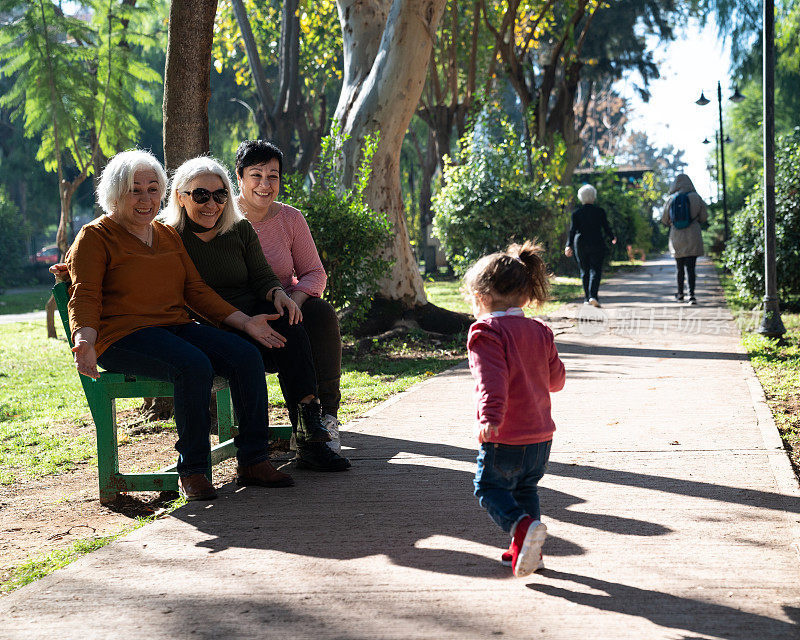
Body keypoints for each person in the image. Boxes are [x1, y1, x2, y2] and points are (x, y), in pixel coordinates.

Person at [63, 149, 294, 501]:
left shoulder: (166, 234)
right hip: (123, 336)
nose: (145, 198)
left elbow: (195, 290)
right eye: (134, 189)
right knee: (193, 365)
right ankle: (194, 470)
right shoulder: (95, 237)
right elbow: (85, 295)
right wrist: (84, 339)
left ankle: (253, 459)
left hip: (173, 326)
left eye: (153, 188)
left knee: (246, 355)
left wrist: (246, 323)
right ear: (114, 193)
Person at [163, 156, 350, 472]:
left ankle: (310, 427)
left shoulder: (238, 228)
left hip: (253, 314)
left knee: (292, 318)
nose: (212, 203)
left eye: (220, 194)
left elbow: (263, 276)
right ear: (181, 196)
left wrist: (279, 295)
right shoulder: (168, 236)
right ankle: (284, 444)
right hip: (208, 324)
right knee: (279, 334)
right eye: (201, 195)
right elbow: (189, 296)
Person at [463, 241, 566, 578]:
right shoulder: (540, 330)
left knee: (489, 488)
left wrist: (490, 418)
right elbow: (557, 380)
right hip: (540, 435)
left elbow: (492, 380)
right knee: (525, 489)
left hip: (505, 434)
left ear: (482, 296)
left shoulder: (486, 332)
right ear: (525, 295)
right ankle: (528, 551)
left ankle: (521, 529)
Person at [234, 140, 343, 441]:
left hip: (287, 303)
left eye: (273, 176)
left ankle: (326, 418)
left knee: (319, 313)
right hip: (240, 311)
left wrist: (294, 300)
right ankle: (304, 428)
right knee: (289, 326)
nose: (265, 184)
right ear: (239, 176)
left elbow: (314, 272)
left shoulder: (290, 218)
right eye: (256, 175)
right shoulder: (222, 217)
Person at [564, 184, 617, 307]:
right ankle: (593, 296)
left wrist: (568, 245)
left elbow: (572, 231)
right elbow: (606, 227)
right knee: (596, 270)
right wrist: (612, 237)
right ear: (594, 197)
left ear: (580, 197)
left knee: (584, 271)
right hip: (597, 242)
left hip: (581, 243)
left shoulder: (576, 213)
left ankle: (586, 298)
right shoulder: (600, 211)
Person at [661, 174, 708, 305]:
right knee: (691, 268)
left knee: (679, 267)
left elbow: (664, 219)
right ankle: (691, 295)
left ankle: (680, 294)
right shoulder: (696, 197)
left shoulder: (671, 199)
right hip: (693, 234)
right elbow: (704, 217)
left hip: (677, 236)